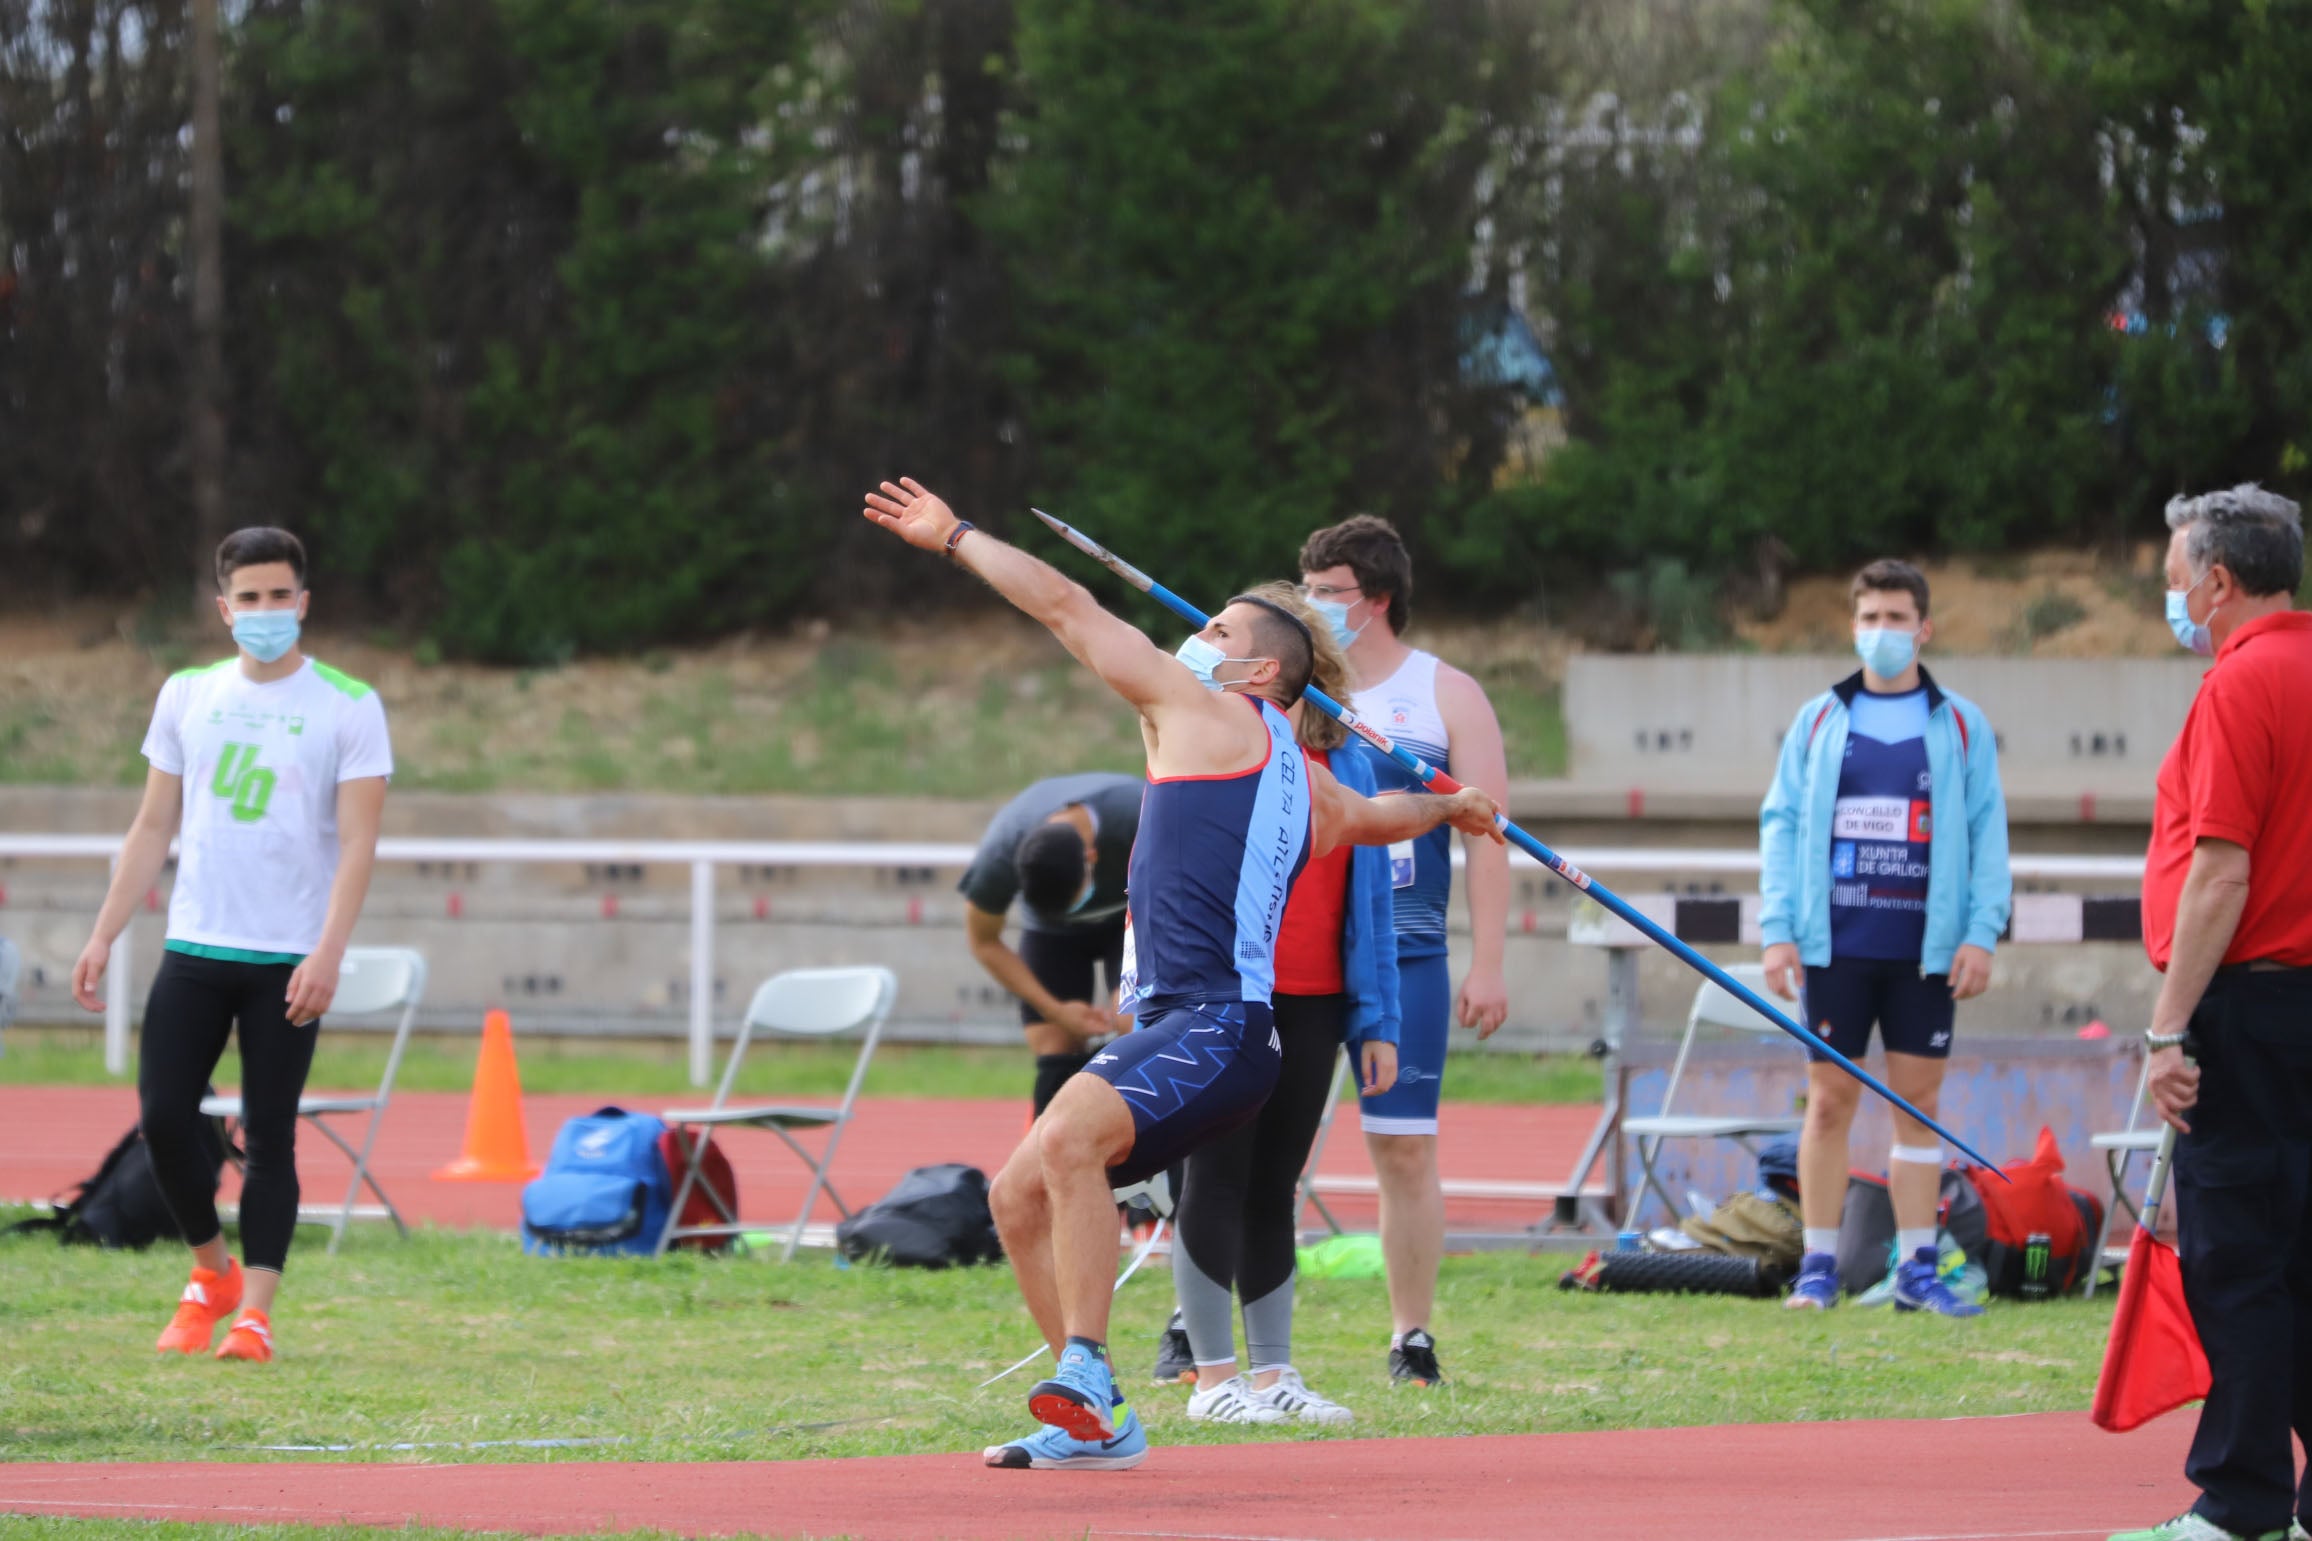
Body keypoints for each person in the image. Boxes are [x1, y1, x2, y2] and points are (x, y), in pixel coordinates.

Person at [858, 479, 1501, 1472]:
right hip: (1203, 1029)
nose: (1193, 637)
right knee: (1013, 1195)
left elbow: (1066, 606)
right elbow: (1377, 819)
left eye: (1215, 627)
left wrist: (956, 537)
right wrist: (1449, 804)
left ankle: (1082, 1364)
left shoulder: (1205, 708)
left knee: (1068, 1138)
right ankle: (1097, 1417)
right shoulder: (1301, 772)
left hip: (1214, 1022)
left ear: (1256, 663)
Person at [71, 527, 392, 1363]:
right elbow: (152, 825)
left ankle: (255, 1312)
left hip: (287, 959)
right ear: (224, 608)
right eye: (248, 598)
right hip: (196, 947)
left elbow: (358, 844)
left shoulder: (348, 704)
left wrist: (328, 951)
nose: (264, 611)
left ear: (303, 602)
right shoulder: (186, 694)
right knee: (164, 1117)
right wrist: (105, 931)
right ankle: (208, 1273)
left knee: (269, 1135)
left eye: (278, 595)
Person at [2107, 487, 2312, 1541]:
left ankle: (2238, 1499)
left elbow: (2217, 872)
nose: (2171, 592)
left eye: (2176, 573)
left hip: (2249, 1006)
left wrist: (2165, 1025)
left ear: (2217, 582)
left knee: (2237, 1254)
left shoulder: (2240, 685)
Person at [1154, 582, 1400, 1425]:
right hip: (1221, 990)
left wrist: (1378, 1016)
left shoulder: (1340, 759)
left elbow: (1370, 899)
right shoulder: (1208, 734)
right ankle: (1211, 1377)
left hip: (1313, 997)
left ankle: (1275, 1375)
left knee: (1274, 1185)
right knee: (1211, 1177)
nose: (1200, 640)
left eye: (1220, 631)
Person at [1759, 558, 2009, 1317]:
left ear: (1924, 629)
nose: (1882, 632)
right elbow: (1783, 824)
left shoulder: (1961, 723)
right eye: (1869, 618)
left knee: (1917, 1104)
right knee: (1829, 1102)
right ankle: (1818, 1267)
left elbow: (1986, 830)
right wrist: (1778, 930)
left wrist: (1982, 932)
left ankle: (1917, 1267)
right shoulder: (1818, 720)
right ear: (1853, 626)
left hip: (1925, 950)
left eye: (1897, 618)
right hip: (1836, 943)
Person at [1297, 514, 1510, 1386]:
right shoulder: (1291, 687)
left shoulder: (1446, 694)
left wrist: (1489, 961)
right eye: (1302, 590)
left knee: (1405, 1146)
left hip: (1410, 950)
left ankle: (1410, 1337)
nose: (1310, 606)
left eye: (1329, 594)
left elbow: (1489, 833)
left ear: (1377, 600)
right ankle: (1197, 1325)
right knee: (1262, 1139)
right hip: (1308, 950)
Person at [959, 773, 1142, 1115]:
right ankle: (1052, 1155)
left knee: (1133, 1021)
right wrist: (1054, 1010)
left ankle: (1156, 1152)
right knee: (1054, 1041)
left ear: (1092, 856)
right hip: (1053, 933)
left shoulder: (1140, 815)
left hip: (1132, 916)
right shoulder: (1000, 854)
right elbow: (983, 941)